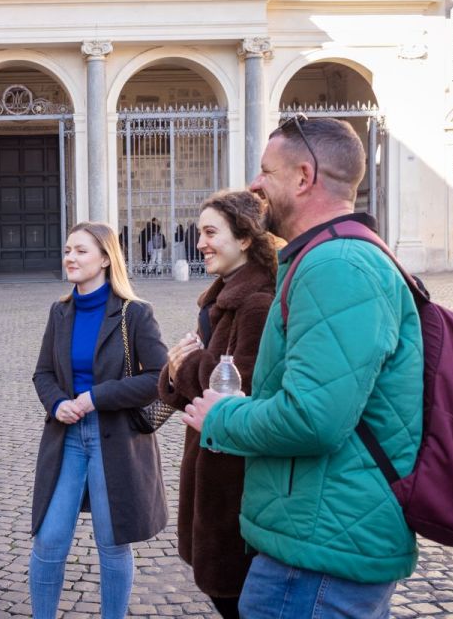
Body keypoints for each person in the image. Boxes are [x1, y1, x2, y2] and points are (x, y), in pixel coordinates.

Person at [182, 116, 424, 618]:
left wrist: (220, 417)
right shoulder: (324, 259)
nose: (253, 185)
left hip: (321, 551)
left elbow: (314, 418)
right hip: (314, 534)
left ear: (303, 177)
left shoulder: (337, 266)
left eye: (266, 172)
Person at [30, 221, 168, 619]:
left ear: (106, 259)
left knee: (112, 542)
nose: (70, 257)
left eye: (81, 251)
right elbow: (43, 373)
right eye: (68, 249)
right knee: (49, 540)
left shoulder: (136, 313)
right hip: (67, 437)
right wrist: (57, 403)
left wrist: (95, 397)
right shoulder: (60, 312)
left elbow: (157, 379)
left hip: (117, 439)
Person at [157, 190, 277, 618]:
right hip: (209, 463)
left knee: (236, 597)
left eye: (211, 232)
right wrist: (177, 372)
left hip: (234, 479)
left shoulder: (257, 303)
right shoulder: (220, 298)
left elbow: (233, 387)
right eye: (199, 233)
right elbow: (188, 375)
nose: (201, 243)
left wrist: (183, 366)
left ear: (244, 238)